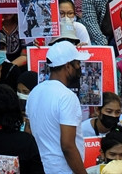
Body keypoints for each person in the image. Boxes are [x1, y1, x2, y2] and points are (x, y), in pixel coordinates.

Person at [24, 41, 88, 174]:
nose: (79, 68)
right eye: (77, 64)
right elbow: (68, 146)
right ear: (68, 66)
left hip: (40, 168)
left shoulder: (35, 92)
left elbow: (28, 133)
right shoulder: (67, 97)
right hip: (62, 170)